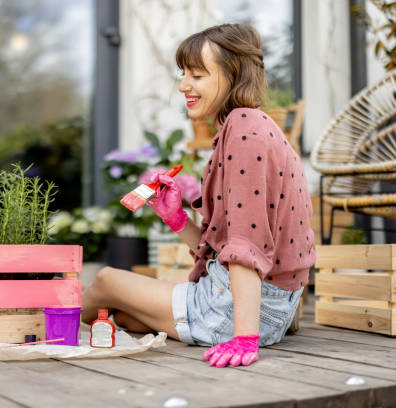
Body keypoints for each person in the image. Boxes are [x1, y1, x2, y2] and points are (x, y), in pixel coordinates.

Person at [81, 23, 316, 368]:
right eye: (184, 74)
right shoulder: (255, 125)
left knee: (105, 281)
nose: (183, 86)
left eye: (197, 75)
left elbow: (244, 245)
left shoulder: (244, 128)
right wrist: (176, 218)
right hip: (266, 307)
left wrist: (245, 337)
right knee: (125, 316)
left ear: (233, 75)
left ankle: (38, 327)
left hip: (237, 310)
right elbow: (224, 249)